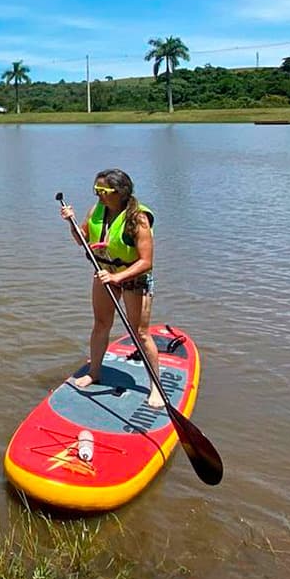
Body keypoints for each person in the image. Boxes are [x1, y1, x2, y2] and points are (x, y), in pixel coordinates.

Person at [59, 168, 164, 410]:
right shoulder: (96, 211)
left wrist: (118, 278)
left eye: (102, 190)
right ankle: (94, 372)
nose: (98, 194)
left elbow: (146, 262)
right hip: (104, 273)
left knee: (140, 332)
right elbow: (83, 240)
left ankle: (156, 387)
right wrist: (71, 223)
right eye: (95, 189)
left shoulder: (138, 219)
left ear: (120, 192)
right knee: (101, 324)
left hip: (133, 278)